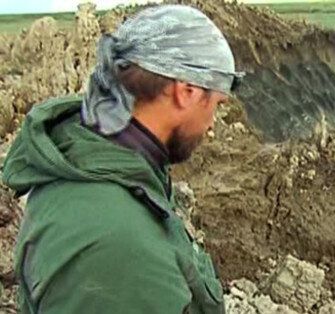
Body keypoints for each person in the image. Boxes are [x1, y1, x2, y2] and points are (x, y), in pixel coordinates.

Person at [1, 5, 243, 313]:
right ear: (186, 92)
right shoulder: (117, 244)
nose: (211, 125)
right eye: (217, 104)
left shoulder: (101, 166)